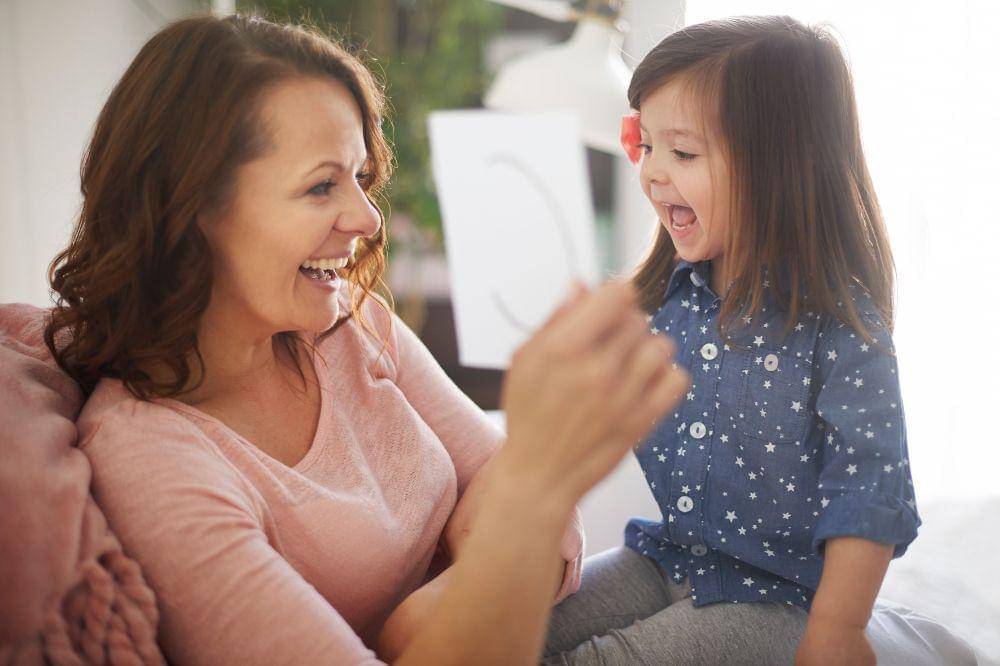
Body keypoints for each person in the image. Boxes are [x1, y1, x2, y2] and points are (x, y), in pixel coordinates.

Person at [43, 14, 689, 665]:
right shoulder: (152, 462)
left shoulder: (350, 324)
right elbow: (518, 500)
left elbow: (509, 489)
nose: (366, 216)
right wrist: (529, 500)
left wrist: (426, 615)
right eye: (322, 185)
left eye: (359, 176)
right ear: (192, 209)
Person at [540, 15, 920, 665]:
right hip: (665, 557)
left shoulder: (839, 324)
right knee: (510, 628)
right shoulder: (667, 300)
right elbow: (578, 419)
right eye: (647, 145)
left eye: (682, 153)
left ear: (779, 167)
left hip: (776, 603)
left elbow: (870, 488)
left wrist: (839, 629)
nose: (654, 173)